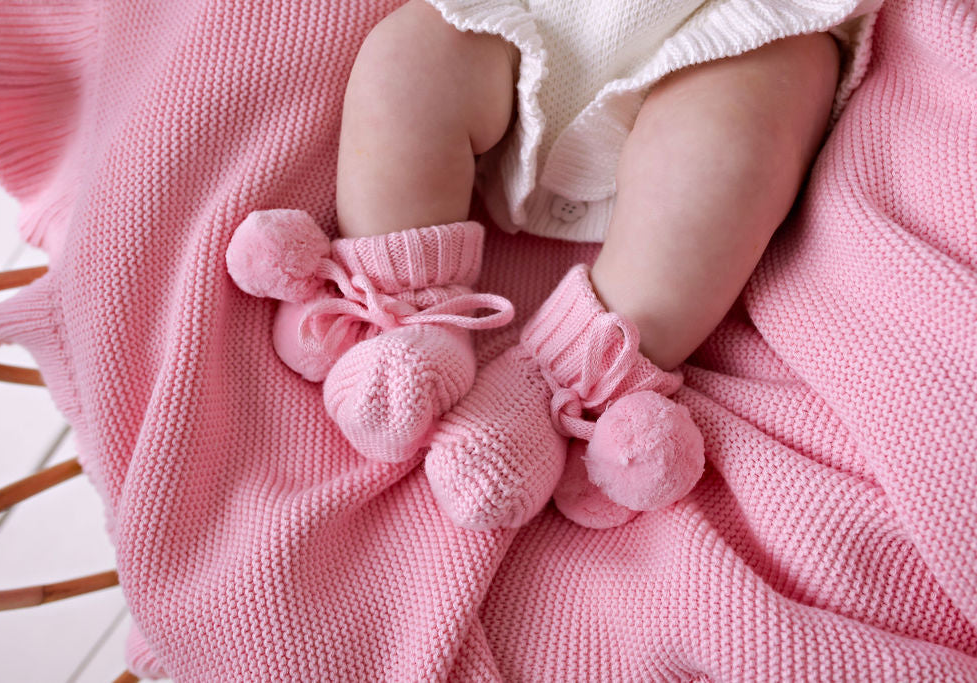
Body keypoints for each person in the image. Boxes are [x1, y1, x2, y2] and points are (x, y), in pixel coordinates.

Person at [228, 0, 873, 530]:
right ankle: (400, 306)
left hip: (741, 32)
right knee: (411, 57)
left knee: (728, 146)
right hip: (531, 20)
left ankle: (560, 388)